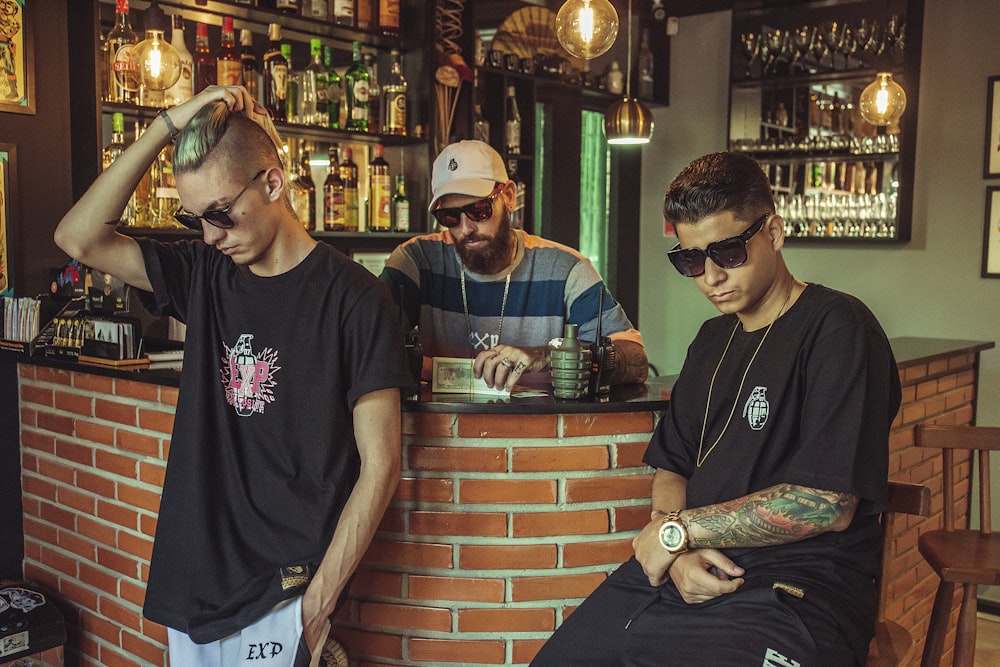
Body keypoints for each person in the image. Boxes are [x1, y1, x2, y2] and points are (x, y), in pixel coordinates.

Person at [54, 86, 414, 666]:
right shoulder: (204, 272)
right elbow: (78, 237)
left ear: (273, 183)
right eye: (193, 219)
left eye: (219, 213)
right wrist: (169, 123)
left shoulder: (357, 299)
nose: (210, 235)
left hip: (285, 591)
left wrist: (315, 608)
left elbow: (383, 463)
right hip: (193, 583)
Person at [531, 151, 900, 666]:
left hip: (797, 586)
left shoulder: (839, 329)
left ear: (773, 232)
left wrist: (676, 532)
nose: (709, 277)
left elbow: (825, 504)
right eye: (689, 260)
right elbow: (672, 466)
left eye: (727, 253)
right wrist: (676, 551)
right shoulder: (711, 340)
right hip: (686, 571)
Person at [380, 140, 647, 392]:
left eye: (479, 210)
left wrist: (548, 357)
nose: (465, 228)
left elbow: (636, 360)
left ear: (508, 196)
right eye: (449, 216)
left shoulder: (566, 269)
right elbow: (363, 344)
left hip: (541, 435)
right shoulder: (416, 261)